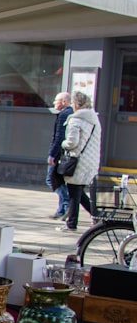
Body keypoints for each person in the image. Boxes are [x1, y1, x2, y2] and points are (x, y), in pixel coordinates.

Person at [56, 91, 102, 232]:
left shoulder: (76, 120)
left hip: (77, 161)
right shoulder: (94, 119)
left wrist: (63, 144)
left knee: (74, 193)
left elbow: (71, 142)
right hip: (91, 161)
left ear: (76, 104)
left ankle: (71, 224)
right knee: (79, 192)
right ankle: (97, 215)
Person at [46, 92, 72, 219]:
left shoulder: (64, 115)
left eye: (56, 100)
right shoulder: (67, 113)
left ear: (64, 102)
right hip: (63, 154)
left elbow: (59, 137)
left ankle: (66, 204)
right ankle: (62, 209)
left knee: (51, 179)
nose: (54, 103)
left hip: (59, 154)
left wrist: (52, 155)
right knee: (57, 181)